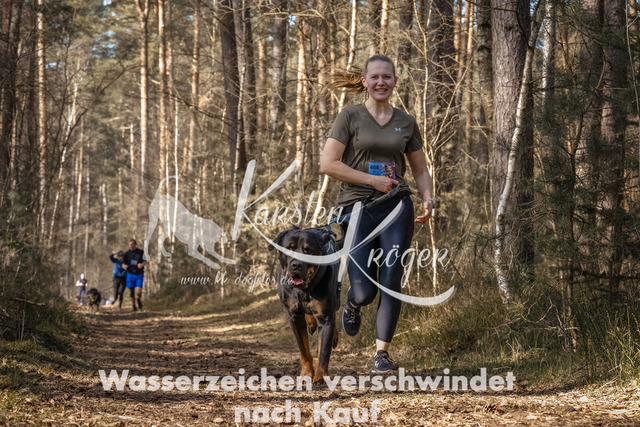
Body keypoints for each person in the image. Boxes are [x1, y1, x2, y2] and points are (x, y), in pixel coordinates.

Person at [319, 54, 434, 374]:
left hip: (397, 206)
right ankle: (353, 303)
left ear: (395, 81)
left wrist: (428, 197)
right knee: (365, 290)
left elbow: (420, 169)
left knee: (392, 279)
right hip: (358, 208)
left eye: (387, 77)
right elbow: (328, 164)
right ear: (364, 81)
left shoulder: (406, 122)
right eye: (375, 77)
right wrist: (372, 181)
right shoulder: (349, 116)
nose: (381, 82)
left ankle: (382, 354)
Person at [122, 239, 146, 311]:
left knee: (139, 291)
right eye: (130, 245)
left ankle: (138, 299)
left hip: (139, 274)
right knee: (131, 292)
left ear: (135, 244)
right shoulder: (126, 254)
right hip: (130, 274)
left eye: (132, 244)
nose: (131, 246)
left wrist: (142, 264)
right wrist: (124, 266)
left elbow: (145, 261)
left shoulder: (141, 252)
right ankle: (133, 306)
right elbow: (123, 264)